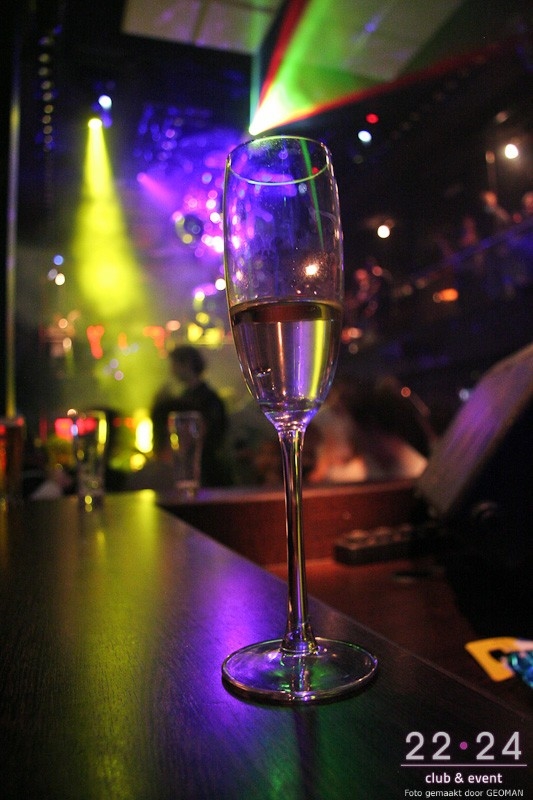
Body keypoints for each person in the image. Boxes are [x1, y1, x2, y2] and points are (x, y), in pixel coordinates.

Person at [149, 345, 230, 487]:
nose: (172, 370)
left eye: (175, 364)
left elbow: (214, 436)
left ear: (186, 364)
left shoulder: (209, 399)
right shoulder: (190, 397)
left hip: (206, 473)